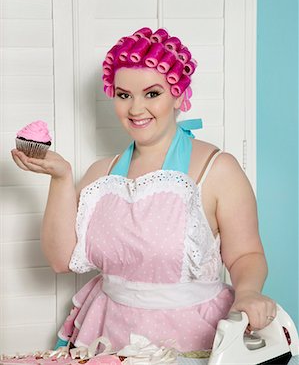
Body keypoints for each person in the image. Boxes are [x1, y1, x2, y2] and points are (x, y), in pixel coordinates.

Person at [11, 26, 276, 353]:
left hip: (191, 335)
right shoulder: (100, 175)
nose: (136, 109)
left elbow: (246, 254)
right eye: (124, 95)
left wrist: (247, 292)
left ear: (179, 94)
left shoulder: (217, 169)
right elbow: (60, 259)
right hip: (108, 332)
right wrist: (61, 178)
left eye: (152, 93)